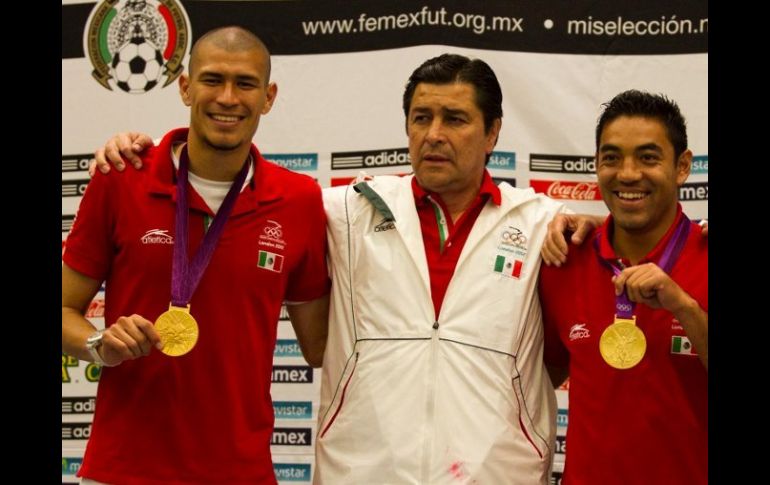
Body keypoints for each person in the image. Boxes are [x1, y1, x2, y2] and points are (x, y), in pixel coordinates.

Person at [93, 54, 565, 483]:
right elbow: (226, 186)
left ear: (493, 132)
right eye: (421, 118)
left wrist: (583, 225)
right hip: (362, 473)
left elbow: (614, 246)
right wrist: (149, 152)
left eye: (455, 119)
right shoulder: (343, 208)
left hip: (499, 474)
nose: (434, 134)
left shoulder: (544, 223)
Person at [62, 26, 330, 484]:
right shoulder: (122, 178)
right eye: (212, 80)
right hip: (123, 470)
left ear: (268, 97)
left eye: (245, 83)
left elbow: (321, 347)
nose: (227, 97)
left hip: (239, 472)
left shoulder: (299, 199)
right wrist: (97, 345)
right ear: (185, 87)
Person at [538, 90, 708, 484]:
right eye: (611, 158)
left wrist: (683, 305)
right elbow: (535, 378)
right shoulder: (564, 260)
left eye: (648, 158)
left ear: (682, 166)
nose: (628, 174)